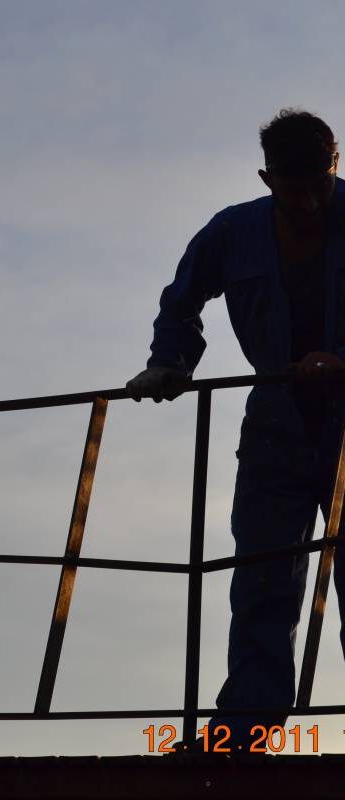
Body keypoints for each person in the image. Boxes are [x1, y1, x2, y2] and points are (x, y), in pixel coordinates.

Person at [126, 109, 345, 752]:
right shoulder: (235, 231)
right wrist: (170, 362)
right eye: (292, 189)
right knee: (261, 574)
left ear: (334, 168)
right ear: (266, 176)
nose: (306, 203)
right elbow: (183, 295)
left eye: (319, 186)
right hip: (277, 421)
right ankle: (246, 732)